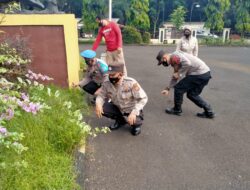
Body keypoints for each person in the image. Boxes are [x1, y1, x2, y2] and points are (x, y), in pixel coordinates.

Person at [156, 50, 215, 119]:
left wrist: (179, 73)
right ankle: (209, 111)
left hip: (199, 73)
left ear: (164, 57)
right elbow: (175, 76)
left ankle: (177, 110)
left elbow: (187, 63)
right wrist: (168, 88)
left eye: (162, 62)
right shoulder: (174, 60)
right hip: (205, 74)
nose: (163, 64)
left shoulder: (175, 57)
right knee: (192, 94)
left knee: (179, 88)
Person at [95, 63, 148, 136]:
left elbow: (143, 98)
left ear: (121, 74)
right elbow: (101, 95)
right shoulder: (107, 82)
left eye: (113, 75)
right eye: (109, 74)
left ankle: (136, 126)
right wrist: (98, 103)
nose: (110, 77)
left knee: (136, 121)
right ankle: (120, 121)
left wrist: (134, 112)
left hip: (131, 109)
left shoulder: (131, 83)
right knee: (102, 108)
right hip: (118, 108)